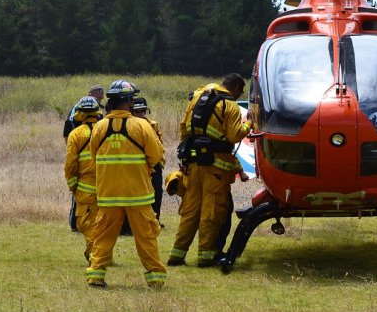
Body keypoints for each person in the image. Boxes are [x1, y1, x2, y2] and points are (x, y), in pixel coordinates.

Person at [84, 80, 167, 289]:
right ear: (129, 102)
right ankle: (155, 278)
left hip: (108, 194)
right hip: (137, 194)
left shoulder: (99, 126)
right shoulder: (141, 125)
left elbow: (93, 156)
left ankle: (96, 275)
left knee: (103, 236)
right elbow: (156, 155)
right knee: (146, 237)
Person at [169, 73, 252, 267]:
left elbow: (183, 128)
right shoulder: (229, 106)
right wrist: (249, 124)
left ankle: (176, 255)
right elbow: (234, 136)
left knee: (190, 211)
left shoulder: (198, 97)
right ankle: (205, 257)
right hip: (215, 168)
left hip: (193, 164)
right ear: (237, 89)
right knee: (211, 211)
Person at [64, 96, 101, 262]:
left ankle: (96, 256)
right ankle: (101, 254)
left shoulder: (75, 134)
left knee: (86, 223)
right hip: (108, 186)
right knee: (103, 223)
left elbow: (70, 164)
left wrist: (73, 187)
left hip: (86, 189)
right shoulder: (105, 129)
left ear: (80, 113)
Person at [132, 96, 166, 226]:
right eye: (137, 112)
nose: (141, 114)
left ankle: (155, 220)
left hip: (154, 164)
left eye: (143, 111)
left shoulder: (153, 125)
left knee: (157, 192)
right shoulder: (131, 127)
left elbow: (160, 144)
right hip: (138, 166)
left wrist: (161, 161)